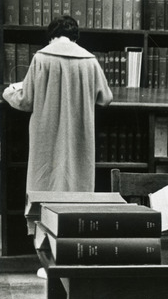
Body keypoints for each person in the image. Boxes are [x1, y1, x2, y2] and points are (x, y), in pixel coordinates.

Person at [2, 15, 113, 196]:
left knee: (44, 184)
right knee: (78, 184)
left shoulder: (41, 58)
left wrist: (9, 92)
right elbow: (105, 98)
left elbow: (26, 100)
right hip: (79, 133)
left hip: (47, 133)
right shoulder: (90, 60)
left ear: (51, 36)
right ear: (75, 37)